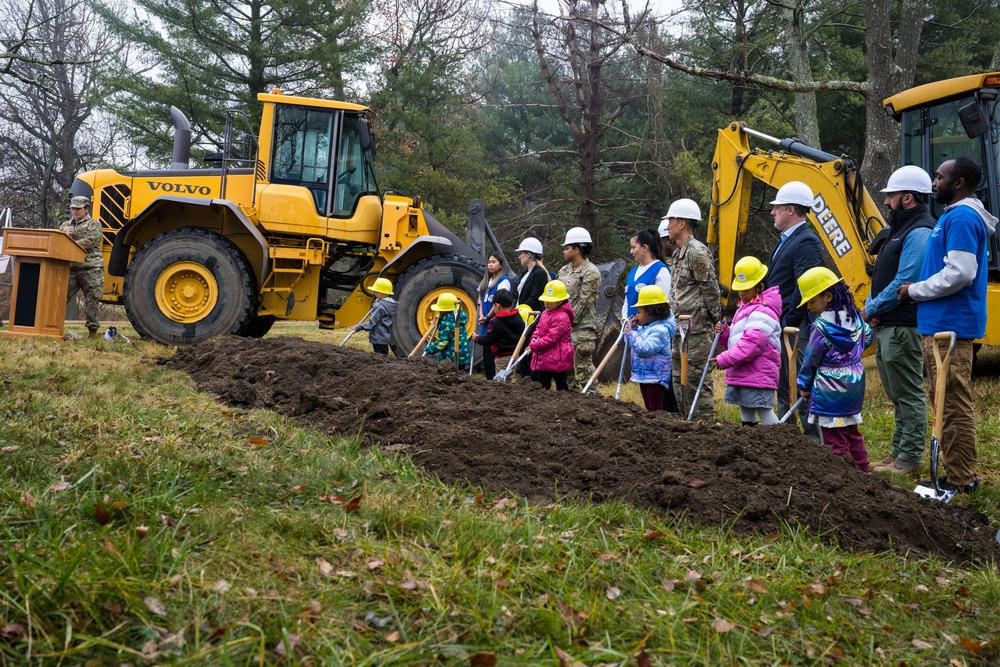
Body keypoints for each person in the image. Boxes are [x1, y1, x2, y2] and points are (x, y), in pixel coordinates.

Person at [898, 157, 997, 495]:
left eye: (940, 177)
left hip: (950, 327)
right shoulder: (953, 217)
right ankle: (957, 472)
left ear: (958, 183)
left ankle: (961, 478)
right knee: (943, 400)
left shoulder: (962, 217)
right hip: (940, 325)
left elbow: (960, 272)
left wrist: (914, 291)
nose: (933, 182)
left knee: (952, 403)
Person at [863, 166, 934, 474]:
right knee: (897, 394)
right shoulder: (900, 230)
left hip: (903, 326)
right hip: (889, 324)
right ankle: (897, 454)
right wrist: (874, 307)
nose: (887, 202)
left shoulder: (919, 231)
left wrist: (872, 307)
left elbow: (906, 280)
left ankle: (909, 458)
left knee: (908, 393)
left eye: (891, 196)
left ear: (907, 197)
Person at [796, 267, 874, 472]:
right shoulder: (855, 319)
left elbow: (810, 359)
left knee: (833, 438)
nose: (810, 307)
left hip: (830, 388)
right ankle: (863, 471)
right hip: (854, 384)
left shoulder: (821, 327)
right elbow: (868, 337)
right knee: (852, 432)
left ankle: (843, 476)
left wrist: (804, 385)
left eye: (812, 301)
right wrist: (851, 356)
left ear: (828, 296)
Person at [767, 181, 823, 440]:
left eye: (776, 207)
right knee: (783, 385)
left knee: (799, 385)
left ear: (791, 209)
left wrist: (789, 319)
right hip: (785, 324)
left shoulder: (806, 242)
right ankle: (786, 441)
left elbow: (805, 286)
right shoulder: (788, 240)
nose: (772, 212)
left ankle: (812, 442)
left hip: (796, 327)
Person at [664, 198, 722, 420]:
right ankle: (687, 425)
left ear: (682, 223)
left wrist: (712, 320)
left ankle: (705, 427)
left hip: (696, 330)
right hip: (680, 330)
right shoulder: (678, 253)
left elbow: (710, 290)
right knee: (681, 382)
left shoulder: (696, 252)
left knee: (698, 383)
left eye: (671, 220)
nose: (668, 225)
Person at [713, 256, 782, 426]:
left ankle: (782, 442)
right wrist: (725, 332)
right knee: (747, 407)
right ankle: (749, 442)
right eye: (740, 289)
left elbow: (751, 344)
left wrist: (724, 359)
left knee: (763, 409)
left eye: (746, 289)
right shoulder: (746, 308)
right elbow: (739, 338)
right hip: (746, 370)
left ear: (761, 286)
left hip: (758, 371)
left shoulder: (763, 311)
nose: (742, 293)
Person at [556, 227, 601, 393]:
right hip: (564, 328)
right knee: (567, 372)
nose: (564, 251)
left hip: (581, 330)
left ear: (577, 249)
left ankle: (593, 400)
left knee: (583, 369)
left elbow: (585, 302)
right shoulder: (564, 271)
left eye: (567, 248)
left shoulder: (590, 272)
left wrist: (565, 320)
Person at [623, 285, 677, 411]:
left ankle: (660, 426)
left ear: (650, 313)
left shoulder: (660, 331)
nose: (636, 315)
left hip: (655, 376)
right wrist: (634, 329)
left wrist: (632, 333)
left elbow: (644, 348)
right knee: (648, 406)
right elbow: (634, 345)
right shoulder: (644, 328)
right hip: (644, 374)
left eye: (639, 312)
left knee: (655, 407)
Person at [59, 196, 104, 339]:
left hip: (90, 267)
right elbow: (58, 240)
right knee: (59, 296)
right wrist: (65, 236)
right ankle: (53, 327)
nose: (74, 211)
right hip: (70, 267)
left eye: (78, 208)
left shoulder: (94, 224)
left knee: (92, 301)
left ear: (86, 209)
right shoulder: (66, 225)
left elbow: (92, 240)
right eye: (72, 208)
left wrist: (72, 242)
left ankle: (92, 333)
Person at [529, 280, 575, 391]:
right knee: (543, 384)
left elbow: (552, 338)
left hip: (559, 358)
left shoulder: (562, 317)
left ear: (560, 301)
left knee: (561, 385)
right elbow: (539, 328)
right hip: (545, 356)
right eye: (546, 300)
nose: (547, 303)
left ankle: (564, 403)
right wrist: (534, 337)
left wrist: (535, 346)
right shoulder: (545, 313)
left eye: (550, 301)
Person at [473, 289, 524, 379]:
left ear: (497, 306)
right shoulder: (517, 317)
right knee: (510, 377)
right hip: (515, 355)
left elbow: (488, 340)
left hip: (503, 357)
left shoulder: (496, 322)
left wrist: (476, 338)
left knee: (501, 382)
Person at [622, 228, 671, 321]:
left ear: (645, 247)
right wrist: (625, 321)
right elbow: (627, 302)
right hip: (630, 331)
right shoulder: (633, 272)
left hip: (650, 331)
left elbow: (662, 307)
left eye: (633, 247)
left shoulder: (661, 271)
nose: (631, 252)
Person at [476, 252, 513, 378]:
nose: (490, 265)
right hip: (485, 323)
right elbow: (480, 299)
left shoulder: (504, 281)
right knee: (487, 358)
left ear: (501, 265)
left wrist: (487, 317)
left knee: (493, 357)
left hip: (496, 323)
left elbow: (498, 302)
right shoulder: (486, 281)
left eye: (494, 262)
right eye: (489, 262)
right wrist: (481, 315)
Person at [425, 292, 470, 368]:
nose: (439, 311)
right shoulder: (457, 318)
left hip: (451, 358)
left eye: (441, 310)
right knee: (460, 374)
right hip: (463, 355)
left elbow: (442, 342)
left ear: (447, 310)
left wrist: (429, 350)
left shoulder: (447, 323)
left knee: (449, 376)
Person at [354, 278, 398, 355]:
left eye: (377, 292)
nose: (375, 294)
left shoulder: (380, 306)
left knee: (379, 359)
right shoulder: (389, 304)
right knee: (383, 357)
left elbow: (371, 323)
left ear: (384, 293)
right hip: (384, 337)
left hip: (378, 338)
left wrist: (358, 327)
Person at [515, 237, 548, 312]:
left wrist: (519, 310)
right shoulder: (525, 273)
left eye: (521, 253)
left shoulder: (540, 274)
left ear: (528, 254)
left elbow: (534, 299)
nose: (519, 257)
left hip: (531, 316)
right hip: (521, 314)